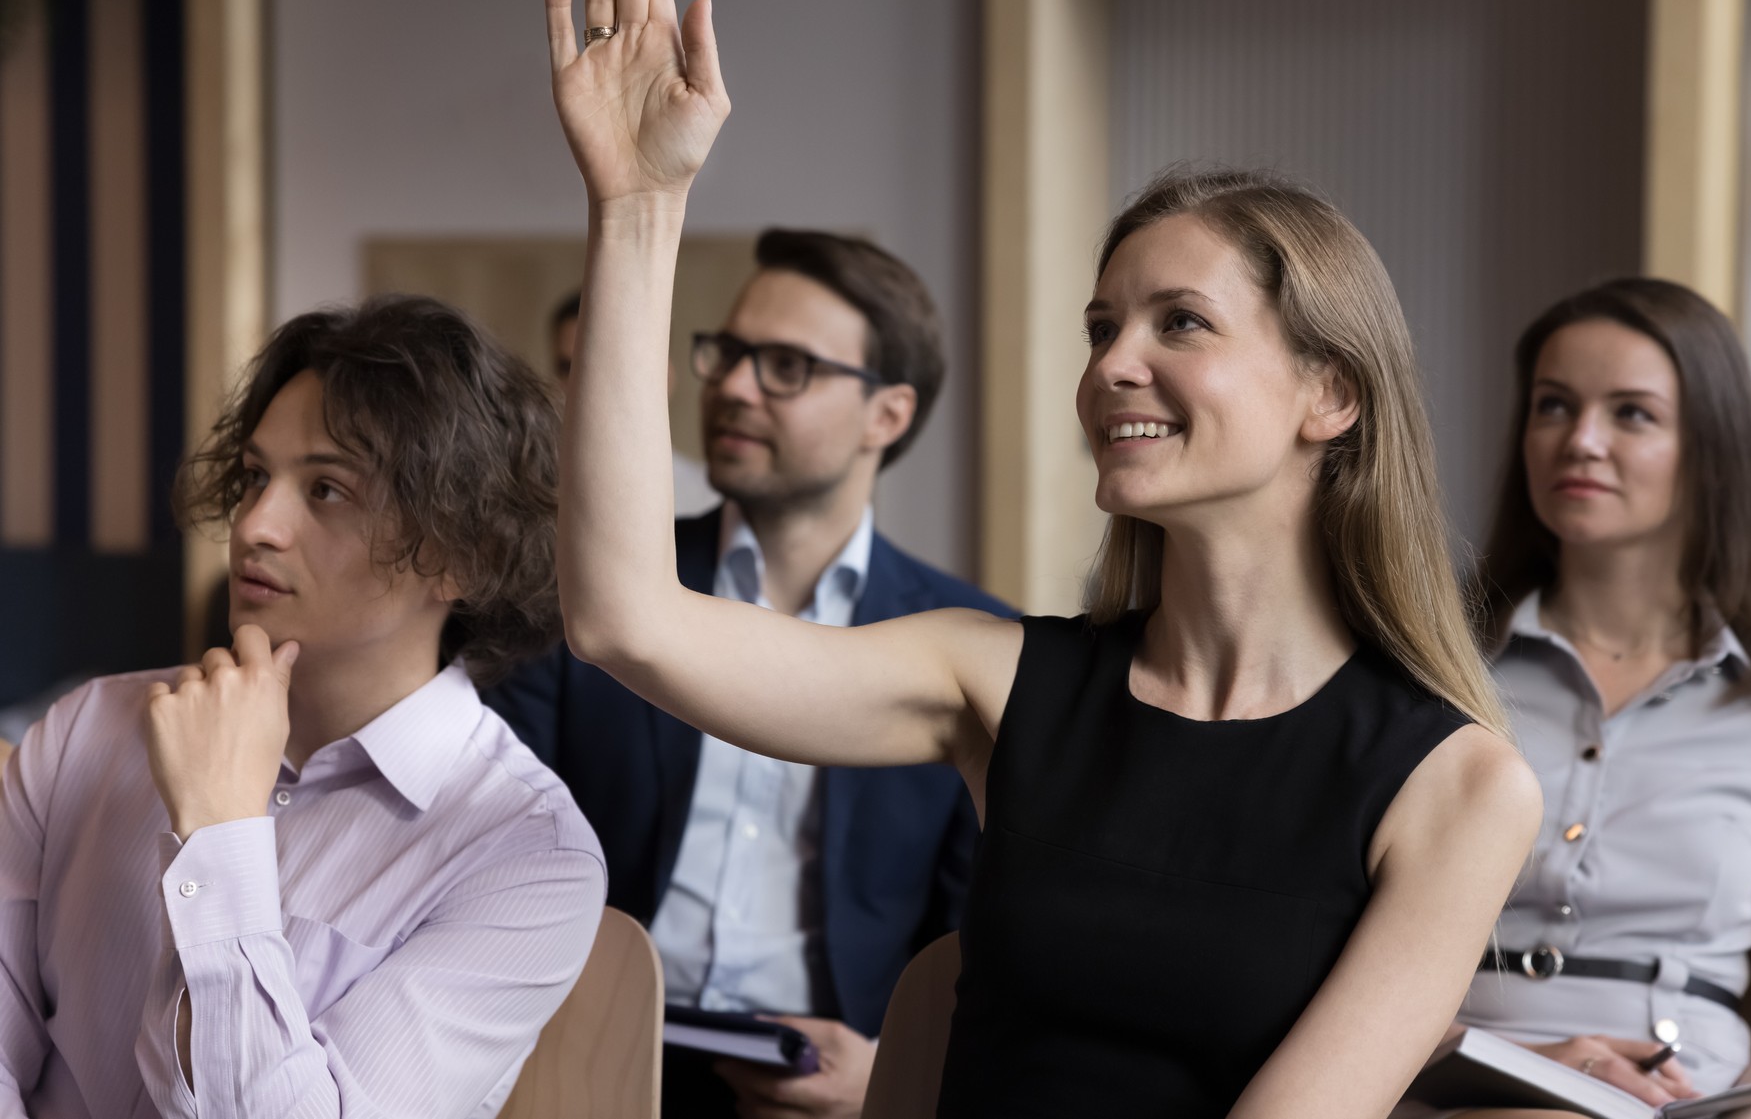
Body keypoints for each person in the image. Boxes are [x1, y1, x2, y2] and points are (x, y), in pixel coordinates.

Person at [544, 0, 1542, 1118]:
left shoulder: (1461, 786)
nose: (1113, 364)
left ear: (1328, 394)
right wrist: (638, 209)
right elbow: (624, 620)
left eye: (1181, 323)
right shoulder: (999, 681)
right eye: (1102, 328)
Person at [0, 297, 606, 1117]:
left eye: (326, 489)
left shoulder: (528, 854)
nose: (256, 523)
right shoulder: (86, 729)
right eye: (256, 476)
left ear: (464, 554)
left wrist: (219, 830)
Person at [489, 229, 1013, 1118]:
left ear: (887, 414)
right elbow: (491, 827)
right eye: (727, 352)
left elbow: (983, 933)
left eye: (785, 366)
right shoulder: (588, 590)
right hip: (594, 1052)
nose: (731, 385)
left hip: (832, 1081)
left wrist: (889, 1069)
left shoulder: (966, 644)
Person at [1436, 278, 1751, 1119]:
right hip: (1438, 1078)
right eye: (1553, 406)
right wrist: (1536, 1063)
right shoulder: (1432, 665)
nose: (1580, 439)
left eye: (1632, 413)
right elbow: (1329, 947)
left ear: (1711, 449)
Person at [549, 288, 718, 516]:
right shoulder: (529, 496)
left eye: (607, 365)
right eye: (568, 369)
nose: (583, 388)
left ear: (665, 378)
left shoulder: (711, 502)